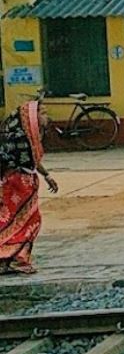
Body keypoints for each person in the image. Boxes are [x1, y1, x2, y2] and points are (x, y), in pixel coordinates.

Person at [0, 100, 57, 275]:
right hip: (16, 185)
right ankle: (15, 259)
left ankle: (11, 259)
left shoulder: (29, 136)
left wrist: (47, 176)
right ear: (32, 116)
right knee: (24, 222)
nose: (46, 117)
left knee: (23, 222)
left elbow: (33, 161)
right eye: (43, 113)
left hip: (25, 184)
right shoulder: (18, 139)